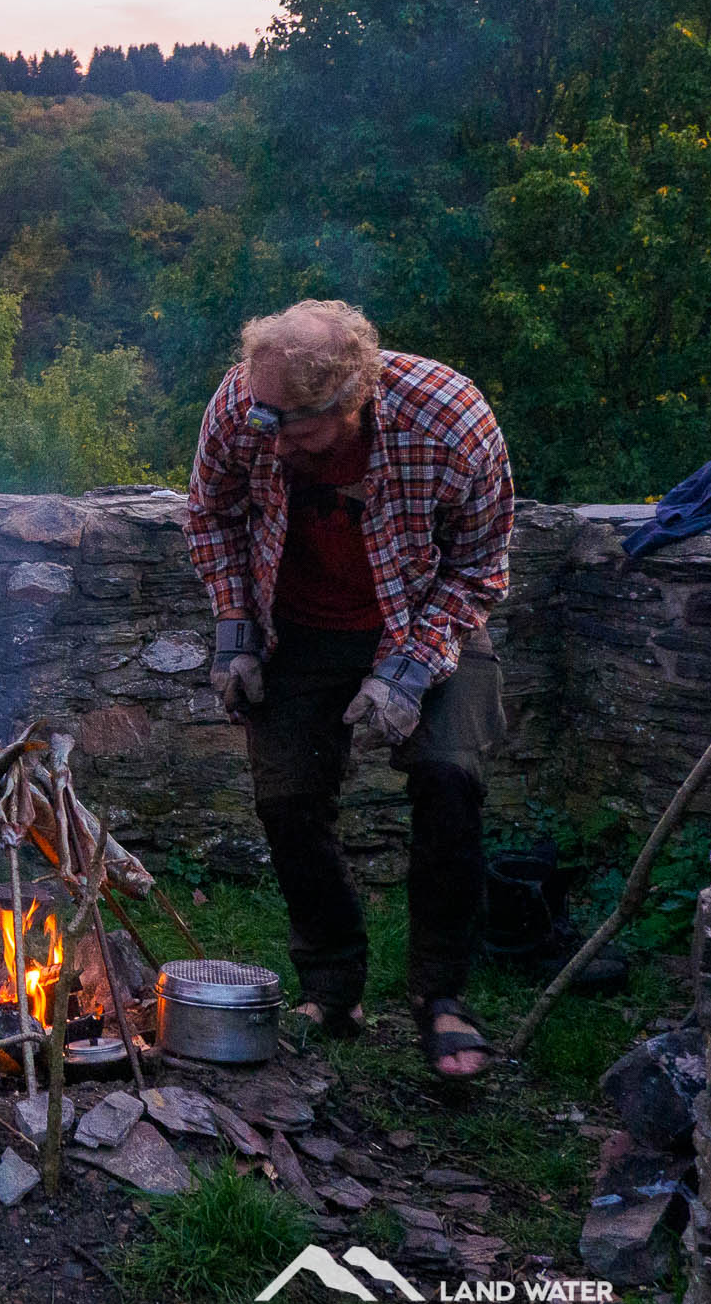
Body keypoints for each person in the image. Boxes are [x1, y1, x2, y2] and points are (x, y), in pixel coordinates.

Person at [184, 300, 514, 1079]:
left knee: (449, 780)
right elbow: (212, 514)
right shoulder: (244, 406)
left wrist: (406, 674)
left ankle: (442, 999)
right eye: (261, 412)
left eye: (291, 423)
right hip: (296, 622)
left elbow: (479, 564)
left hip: (428, 614)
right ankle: (332, 988)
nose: (269, 433)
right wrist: (234, 635)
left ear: (353, 397)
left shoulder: (452, 422)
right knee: (288, 801)